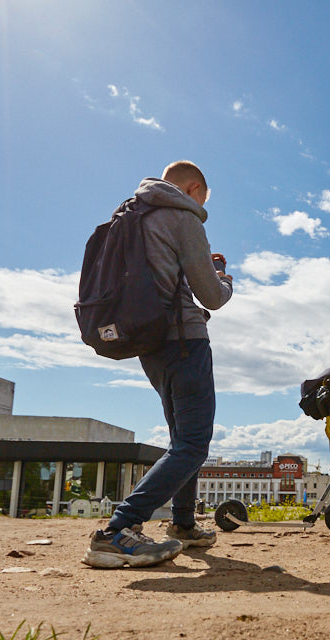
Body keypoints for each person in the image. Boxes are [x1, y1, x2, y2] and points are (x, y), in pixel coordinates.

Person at [83, 161, 233, 569]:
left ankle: (183, 524)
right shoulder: (182, 217)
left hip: (149, 343)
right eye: (202, 197)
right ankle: (118, 530)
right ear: (194, 187)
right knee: (192, 443)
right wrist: (225, 278)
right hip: (184, 340)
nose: (202, 205)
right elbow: (212, 297)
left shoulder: (131, 213)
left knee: (182, 439)